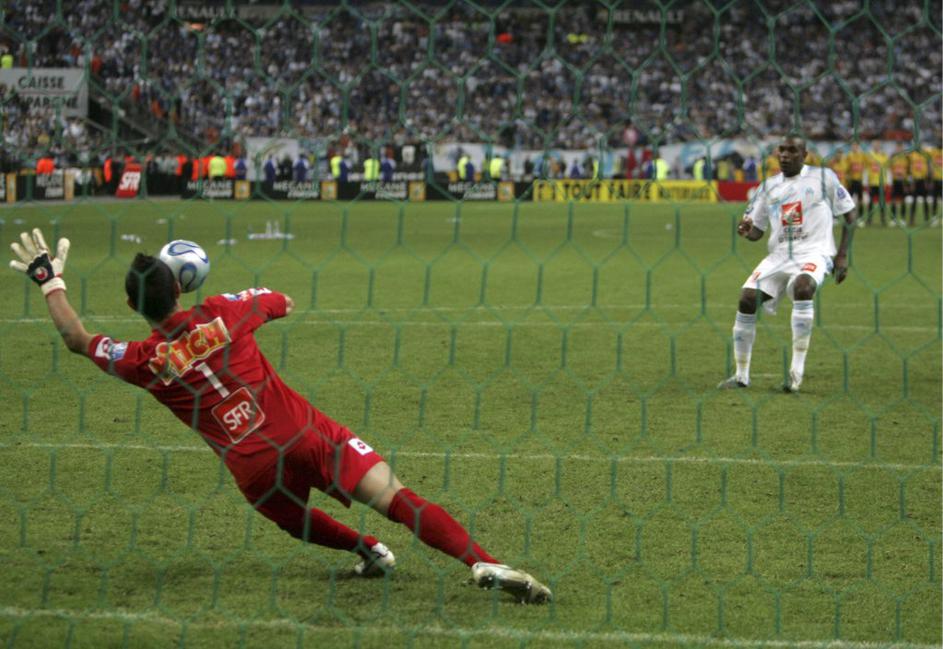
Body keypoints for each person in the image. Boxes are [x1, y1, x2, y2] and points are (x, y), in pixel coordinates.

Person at [8, 229, 552, 605]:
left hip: (252, 466)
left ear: (133, 308)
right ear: (180, 287)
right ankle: (480, 560)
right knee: (394, 496)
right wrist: (234, 299)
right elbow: (283, 301)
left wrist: (50, 280)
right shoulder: (223, 312)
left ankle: (368, 551)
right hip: (304, 432)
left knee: (293, 521)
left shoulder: (142, 360)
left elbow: (76, 338)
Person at [718, 134, 857, 393]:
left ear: (804, 155)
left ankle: (796, 373)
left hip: (814, 252)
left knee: (803, 287)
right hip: (780, 255)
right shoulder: (768, 186)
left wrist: (842, 255)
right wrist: (746, 230)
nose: (784, 155)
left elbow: (850, 214)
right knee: (747, 298)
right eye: (781, 150)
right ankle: (741, 376)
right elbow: (756, 231)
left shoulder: (823, 178)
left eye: (792, 150)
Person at [865, 141, 889, 226]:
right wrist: (867, 182)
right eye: (875, 145)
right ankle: (869, 220)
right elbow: (867, 170)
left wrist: (885, 182)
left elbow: (885, 170)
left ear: (880, 147)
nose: (876, 147)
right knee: (870, 202)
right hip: (872, 183)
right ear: (872, 146)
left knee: (882, 202)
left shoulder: (884, 156)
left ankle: (883, 219)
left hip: (881, 183)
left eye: (878, 145)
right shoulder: (869, 156)